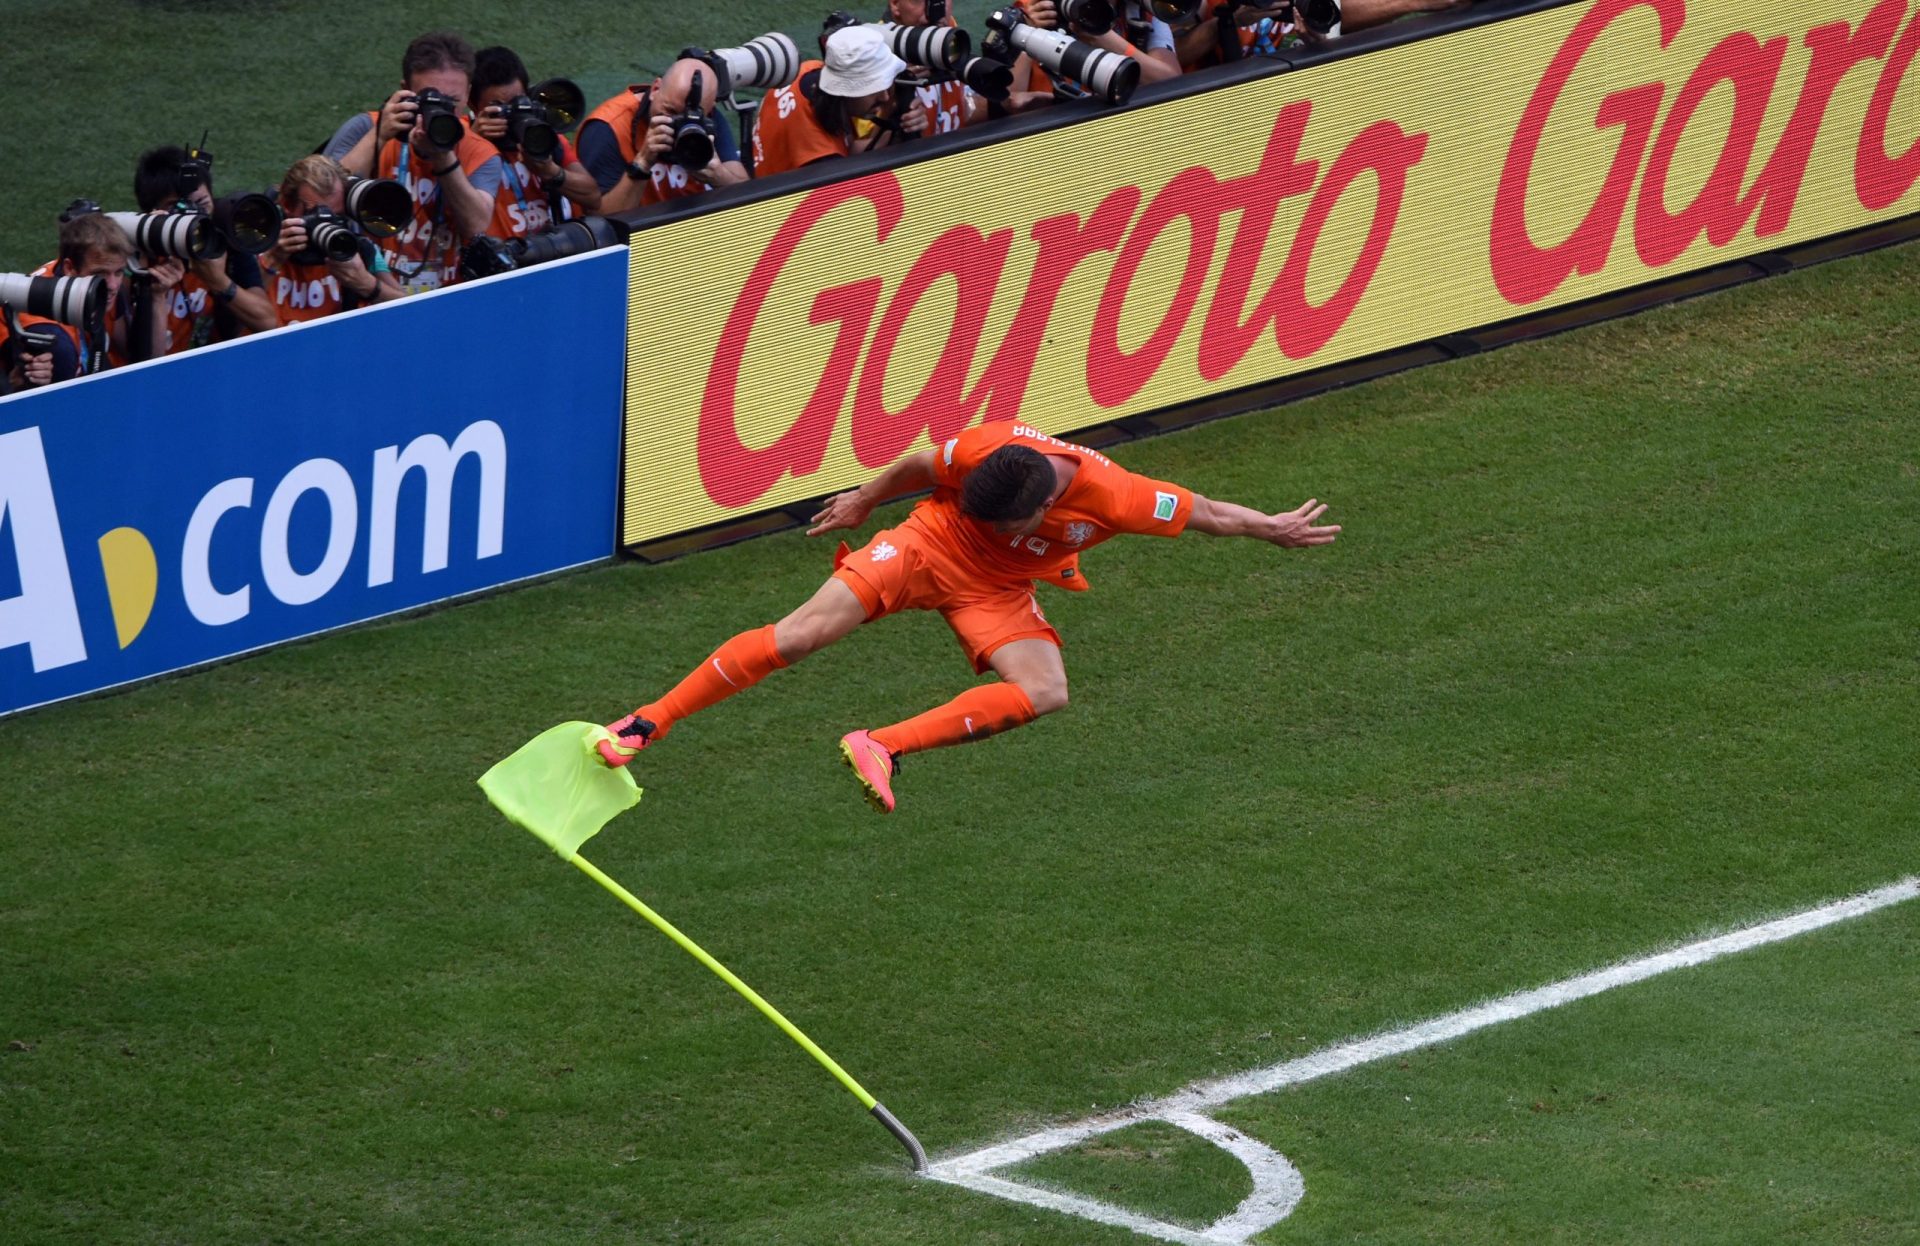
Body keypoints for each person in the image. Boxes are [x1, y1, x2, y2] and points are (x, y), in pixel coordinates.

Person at [595, 422, 1340, 813]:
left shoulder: (1119, 497)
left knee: (1046, 689)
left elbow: (1205, 510)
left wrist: (1271, 527)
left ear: (1047, 508)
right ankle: (646, 723)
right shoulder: (990, 447)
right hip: (927, 543)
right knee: (802, 634)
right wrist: (863, 499)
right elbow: (923, 465)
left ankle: (879, 745)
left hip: (999, 588)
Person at [323, 32, 503, 293]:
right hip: (364, 295)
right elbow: (323, 200)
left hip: (445, 297)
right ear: (404, 89)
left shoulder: (479, 152)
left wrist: (443, 157)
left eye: (451, 102)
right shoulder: (366, 128)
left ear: (468, 94)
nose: (440, 112)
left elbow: (476, 226)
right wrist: (380, 135)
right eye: (428, 99)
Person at [130, 145, 277, 353]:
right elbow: (142, 363)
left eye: (201, 203)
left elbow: (267, 322)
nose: (194, 216)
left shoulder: (226, 237)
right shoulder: (135, 255)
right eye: (178, 208)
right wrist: (153, 292)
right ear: (152, 211)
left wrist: (218, 281)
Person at [576, 57, 750, 214]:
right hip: (635, 239)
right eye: (670, 110)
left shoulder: (707, 120)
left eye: (689, 117)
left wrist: (717, 175)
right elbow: (600, 220)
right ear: (655, 89)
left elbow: (751, 198)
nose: (677, 123)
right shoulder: (608, 127)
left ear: (710, 107)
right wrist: (642, 163)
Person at [467, 46, 600, 239]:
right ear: (472, 105)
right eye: (498, 108)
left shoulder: (542, 135)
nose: (511, 114)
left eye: (516, 103)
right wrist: (474, 144)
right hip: (498, 263)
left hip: (555, 251)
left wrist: (550, 172)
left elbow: (593, 197)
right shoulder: (460, 138)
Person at [256, 156, 404, 325]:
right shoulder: (260, 239)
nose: (328, 226)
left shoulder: (357, 248)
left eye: (336, 217)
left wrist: (366, 284)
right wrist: (271, 260)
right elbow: (231, 319)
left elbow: (411, 309)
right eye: (315, 215)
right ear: (286, 205)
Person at [751, 26, 908, 179]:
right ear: (846, 91)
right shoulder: (822, 161)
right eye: (874, 89)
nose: (885, 97)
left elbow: (847, 149)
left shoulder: (807, 70)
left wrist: (890, 118)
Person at [1013, 0, 1183, 99]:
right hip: (1054, 130)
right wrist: (1027, 34)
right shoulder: (1035, 10)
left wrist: (1105, 39)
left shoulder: (1141, 10)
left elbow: (1172, 82)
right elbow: (1004, 102)